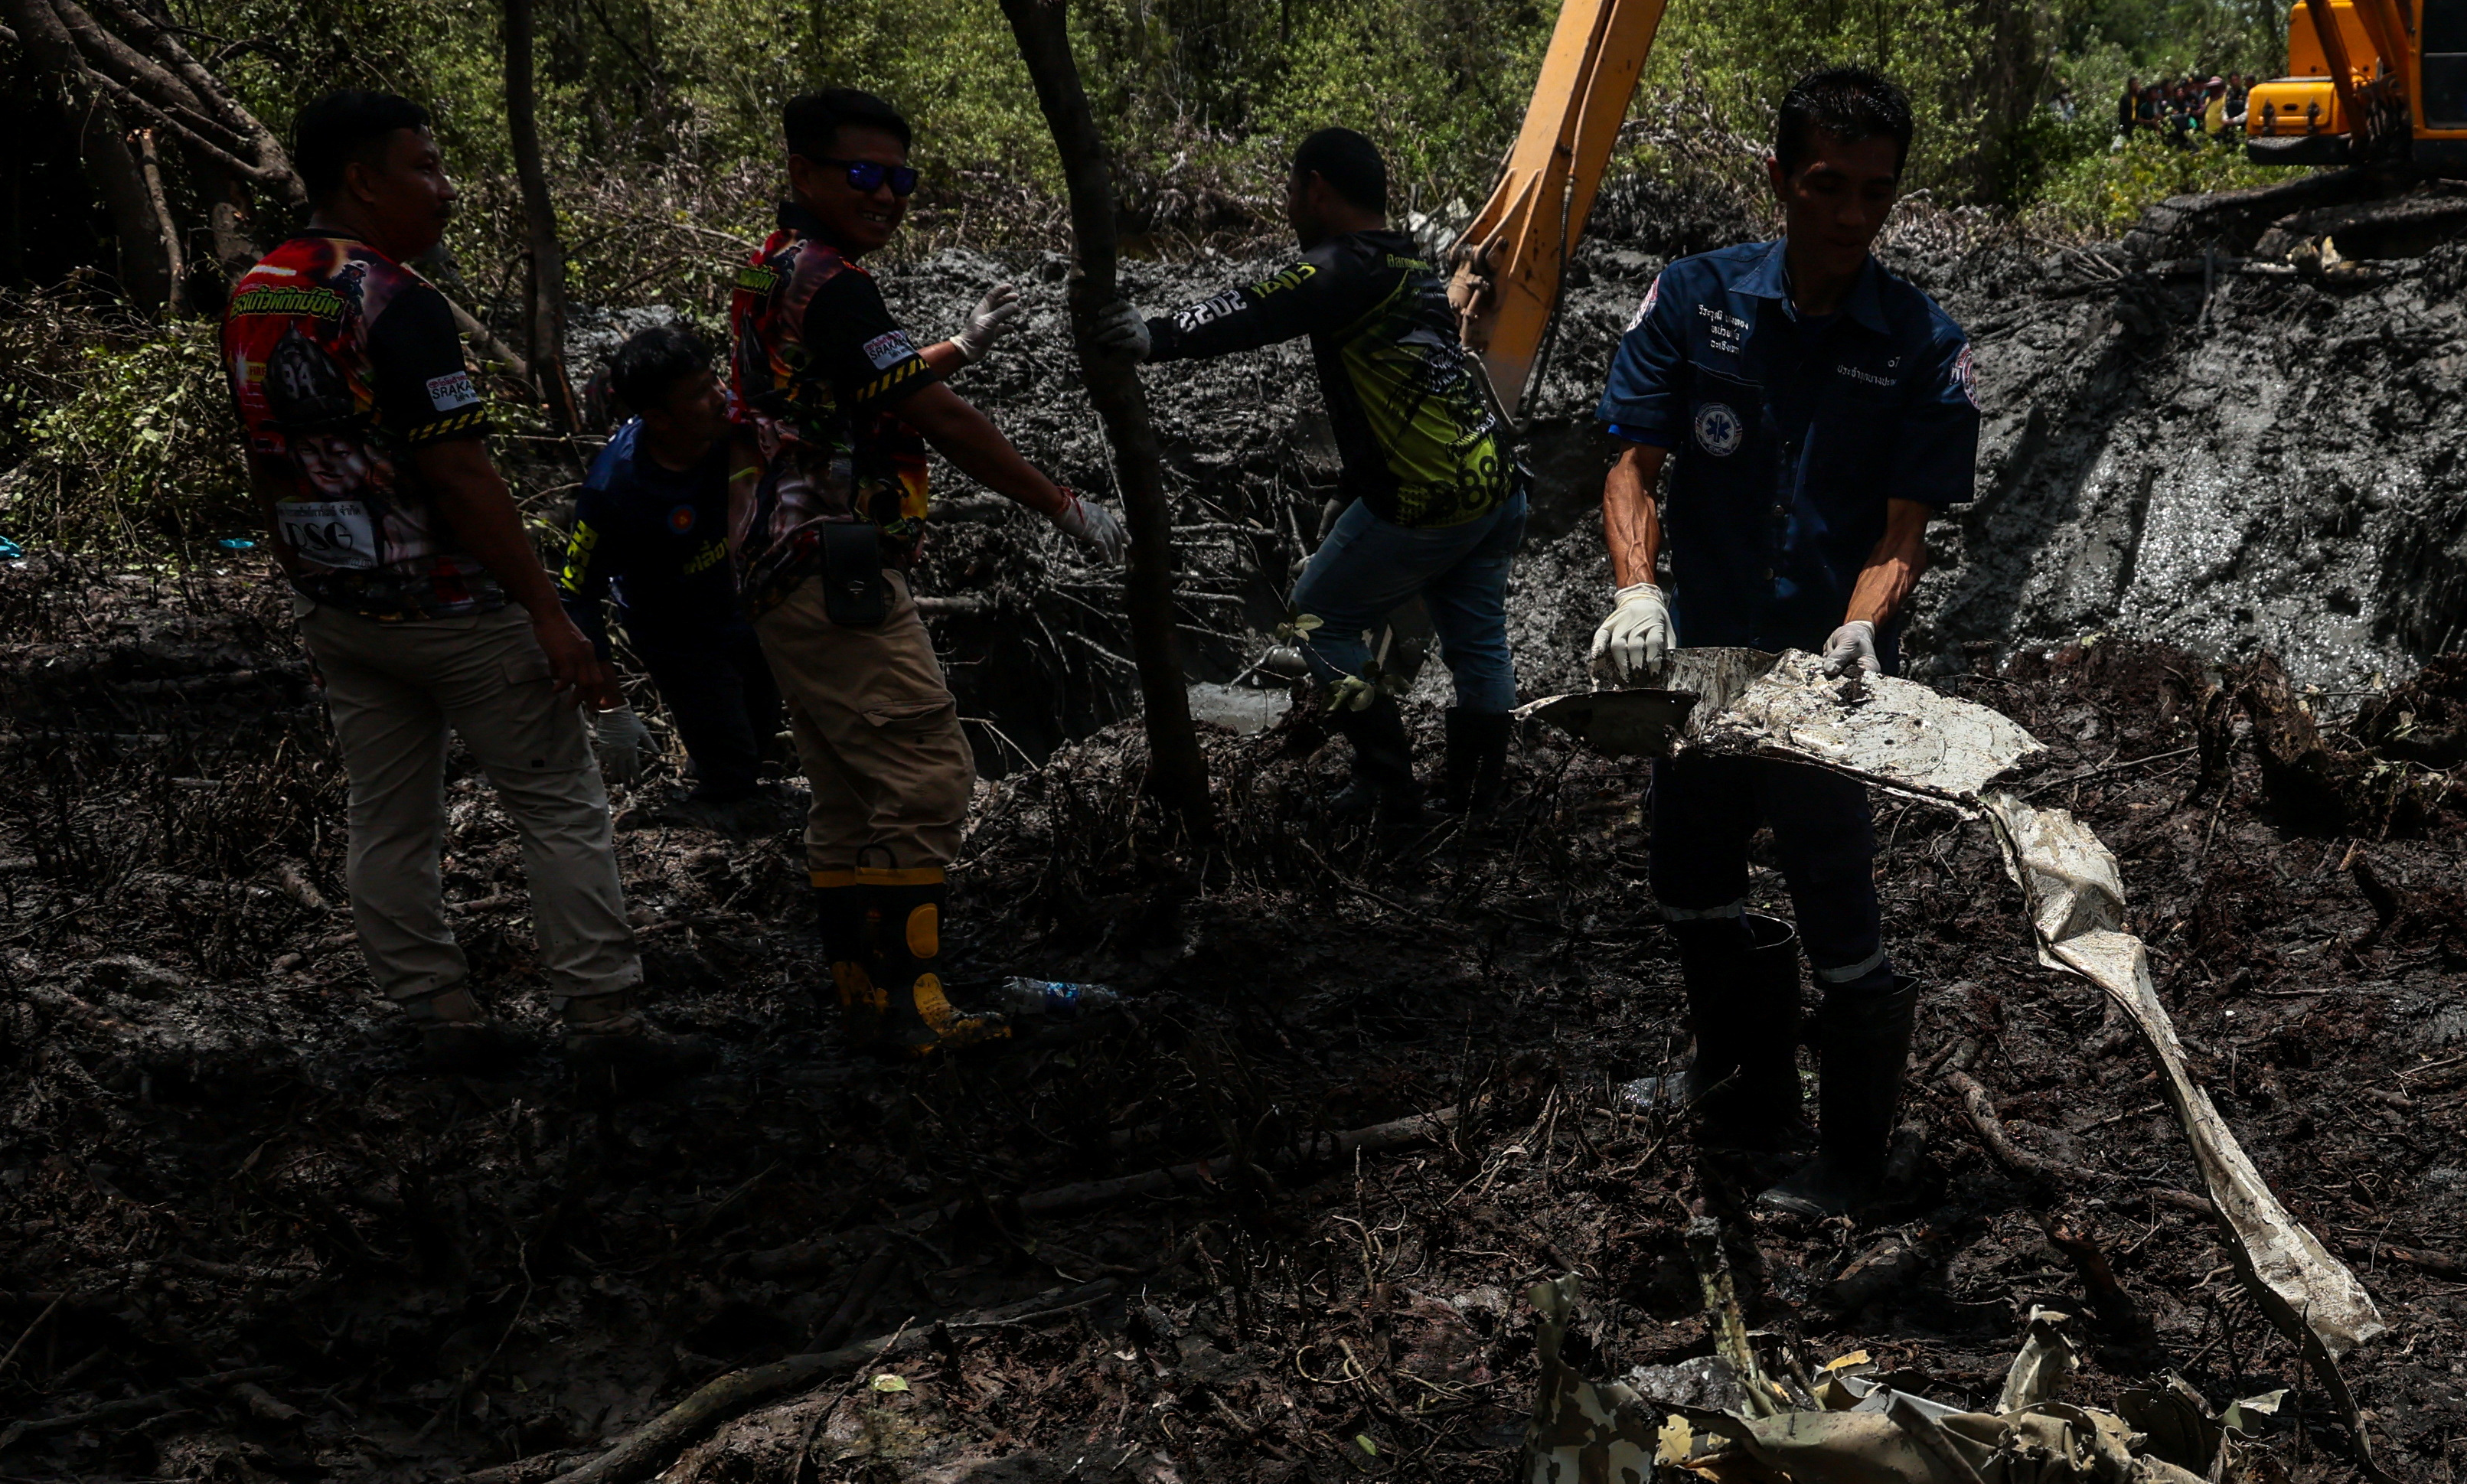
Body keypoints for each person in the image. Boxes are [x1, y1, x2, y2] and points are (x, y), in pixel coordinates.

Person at [224, 89, 702, 1091]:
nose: (447, 192)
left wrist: (306, 577)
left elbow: (267, 460)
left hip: (342, 610)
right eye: (426, 170)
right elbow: (462, 475)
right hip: (453, 607)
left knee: (386, 813)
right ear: (362, 179)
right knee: (559, 803)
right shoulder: (397, 301)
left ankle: (435, 1009)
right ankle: (606, 1014)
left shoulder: (258, 291)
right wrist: (547, 612)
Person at [1588, 64, 1981, 1225]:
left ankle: (1852, 1161)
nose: (1853, 215)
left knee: (1834, 898)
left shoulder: (1923, 344)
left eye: (1877, 192)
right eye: (1828, 187)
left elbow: (1903, 529)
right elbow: (1630, 461)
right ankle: (1742, 1092)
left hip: (1826, 684)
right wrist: (1635, 593)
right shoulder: (1692, 298)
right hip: (1695, 668)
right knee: (1692, 883)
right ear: (1778, 178)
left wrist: (1863, 624)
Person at [731, 85, 1126, 1058]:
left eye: (901, 179)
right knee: (927, 776)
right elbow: (932, 415)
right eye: (864, 175)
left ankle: (865, 997)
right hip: (835, 560)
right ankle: (918, 1009)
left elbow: (865, 378)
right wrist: (1062, 503)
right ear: (804, 171)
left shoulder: (775, 268)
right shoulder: (835, 282)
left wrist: (960, 344)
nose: (887, 195)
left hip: (781, 558)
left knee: (848, 792)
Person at [1087, 126, 1523, 818]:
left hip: (1427, 499)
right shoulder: (1408, 267)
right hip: (1494, 487)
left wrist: (1155, 337)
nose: (1288, 206)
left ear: (1315, 188)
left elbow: (1260, 307)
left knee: (1319, 623)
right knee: (1480, 648)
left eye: (1290, 191)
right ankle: (1478, 809)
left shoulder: (1342, 267)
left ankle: (1388, 783)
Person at [558, 318, 792, 835]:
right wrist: (609, 705)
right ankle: (715, 824)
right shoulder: (614, 489)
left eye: (716, 381)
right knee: (729, 754)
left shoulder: (737, 427)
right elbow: (576, 592)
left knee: (760, 727)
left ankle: (727, 793)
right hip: (676, 633)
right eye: (699, 393)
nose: (719, 397)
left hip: (744, 606)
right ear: (659, 418)